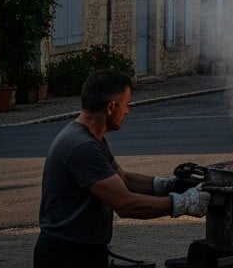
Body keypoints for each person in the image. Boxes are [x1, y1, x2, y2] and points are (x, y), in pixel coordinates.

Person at [35, 69, 209, 268]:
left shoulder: (89, 138)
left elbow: (124, 180)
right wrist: (184, 203)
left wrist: (168, 184)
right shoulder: (82, 146)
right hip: (66, 256)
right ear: (111, 107)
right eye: (127, 105)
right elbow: (125, 204)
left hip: (82, 250)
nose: (127, 111)